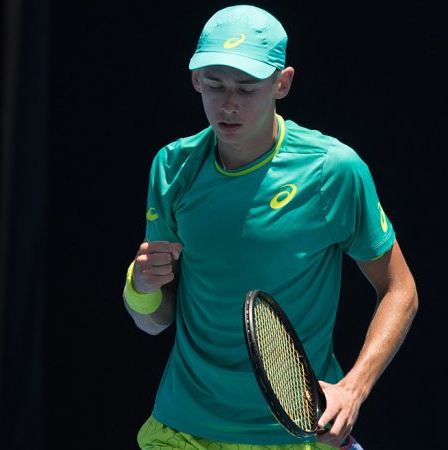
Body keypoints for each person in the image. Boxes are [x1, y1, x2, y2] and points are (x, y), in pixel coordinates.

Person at [123, 5, 418, 449]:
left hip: (294, 433)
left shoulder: (332, 170)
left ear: (282, 83)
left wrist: (354, 388)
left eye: (247, 88)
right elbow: (155, 321)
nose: (229, 104)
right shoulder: (172, 166)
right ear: (196, 80)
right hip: (182, 430)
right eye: (216, 85)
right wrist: (140, 284)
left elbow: (400, 289)